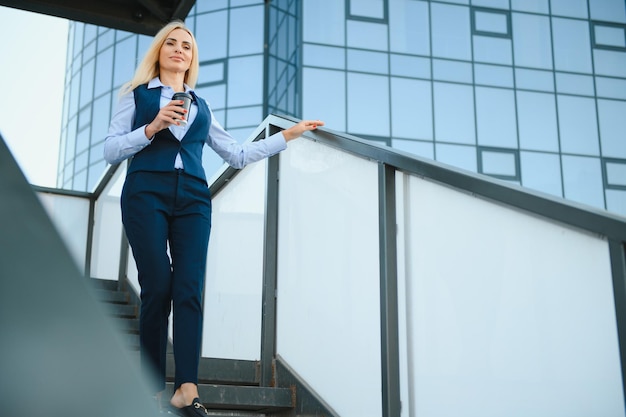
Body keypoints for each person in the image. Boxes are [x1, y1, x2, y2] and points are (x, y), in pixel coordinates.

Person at [103, 20, 323, 417]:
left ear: (192, 59)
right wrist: (152, 127)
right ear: (160, 52)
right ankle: (151, 387)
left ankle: (187, 388)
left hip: (192, 198)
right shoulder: (135, 96)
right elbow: (111, 149)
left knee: (189, 288)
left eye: (186, 46)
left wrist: (286, 137)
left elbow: (236, 154)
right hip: (145, 193)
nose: (178, 50)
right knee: (157, 286)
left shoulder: (202, 106)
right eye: (171, 43)